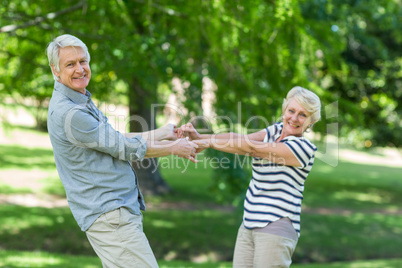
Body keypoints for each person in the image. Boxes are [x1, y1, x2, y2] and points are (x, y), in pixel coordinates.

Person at [46, 34, 206, 268]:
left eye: (83, 61)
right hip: (110, 216)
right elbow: (123, 148)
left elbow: (114, 139)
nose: (80, 69)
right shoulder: (71, 114)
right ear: (55, 70)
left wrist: (165, 132)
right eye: (70, 64)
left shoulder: (78, 101)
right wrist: (173, 149)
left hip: (113, 213)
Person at [178, 87, 321, 268]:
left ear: (311, 122)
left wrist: (207, 143)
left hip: (276, 226)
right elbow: (241, 139)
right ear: (284, 110)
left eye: (303, 115)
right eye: (291, 111)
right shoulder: (274, 132)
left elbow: (251, 148)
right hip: (249, 223)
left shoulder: (303, 148)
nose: (294, 118)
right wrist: (201, 137)